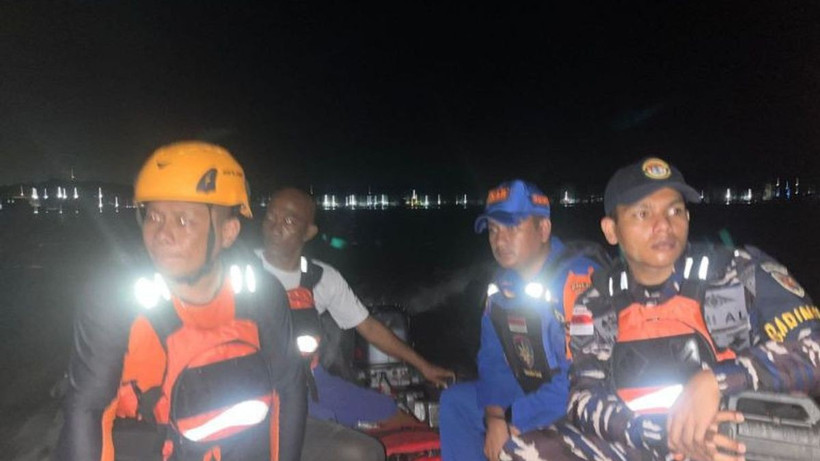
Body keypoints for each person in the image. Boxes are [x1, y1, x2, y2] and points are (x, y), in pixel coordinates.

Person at [502, 157, 820, 461]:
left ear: (688, 218)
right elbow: (584, 398)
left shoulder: (739, 273)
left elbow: (814, 347)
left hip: (735, 439)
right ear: (611, 230)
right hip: (649, 439)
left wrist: (716, 381)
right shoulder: (597, 300)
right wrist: (658, 432)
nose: (663, 226)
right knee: (523, 451)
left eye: (675, 211)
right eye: (643, 214)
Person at [55, 141, 306, 461]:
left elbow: (289, 390)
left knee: (357, 450)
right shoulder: (116, 301)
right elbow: (88, 412)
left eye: (183, 221)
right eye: (154, 217)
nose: (162, 234)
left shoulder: (261, 294)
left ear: (228, 233)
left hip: (245, 449)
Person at [258, 187, 455, 461]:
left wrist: (423, 366)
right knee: (340, 437)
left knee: (393, 413)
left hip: (312, 380)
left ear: (309, 232)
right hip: (261, 386)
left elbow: (369, 327)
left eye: (289, 221)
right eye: (271, 217)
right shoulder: (242, 271)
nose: (275, 227)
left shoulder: (322, 277)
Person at [438, 179, 600, 461]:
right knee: (455, 403)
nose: (499, 240)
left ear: (543, 229)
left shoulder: (579, 282)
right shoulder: (502, 288)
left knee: (516, 438)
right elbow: (492, 360)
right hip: (530, 387)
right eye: (493, 230)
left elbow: (582, 379)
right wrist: (494, 414)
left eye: (513, 228)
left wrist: (513, 418)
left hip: (579, 398)